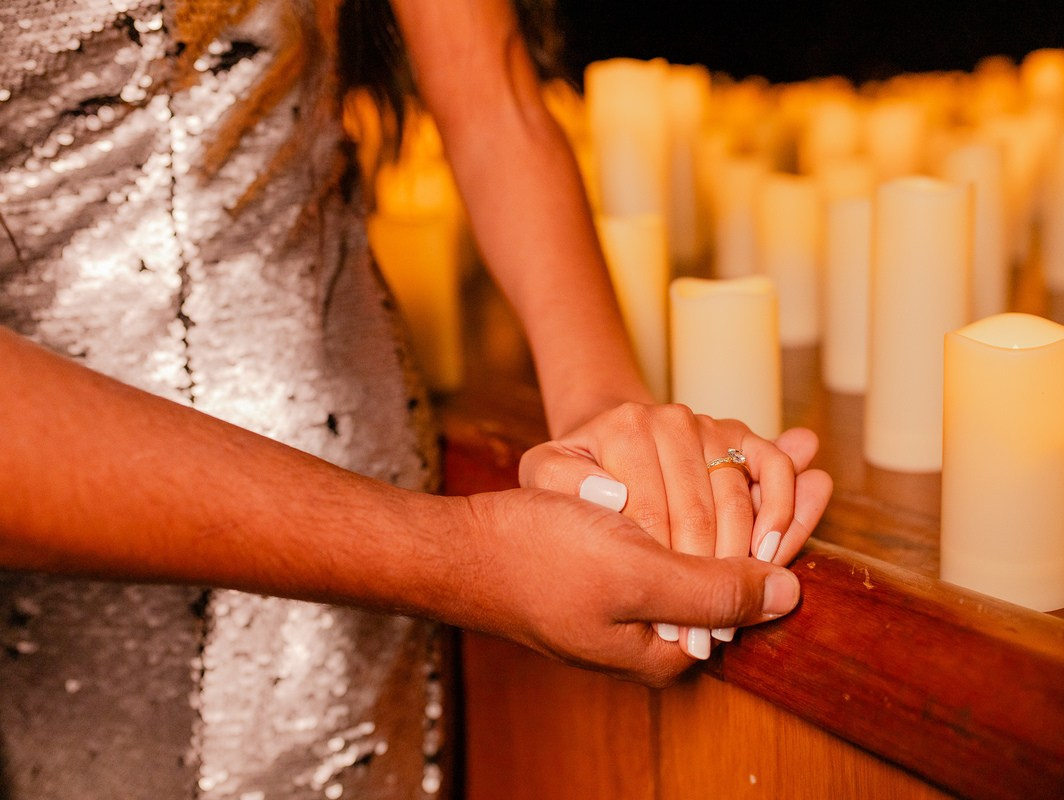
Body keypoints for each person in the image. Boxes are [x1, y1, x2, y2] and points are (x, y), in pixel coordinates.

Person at [0, 1, 832, 798]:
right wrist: (460, 558)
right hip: (95, 543)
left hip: (358, 454)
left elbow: (493, 96)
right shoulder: (437, 554)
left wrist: (605, 416)